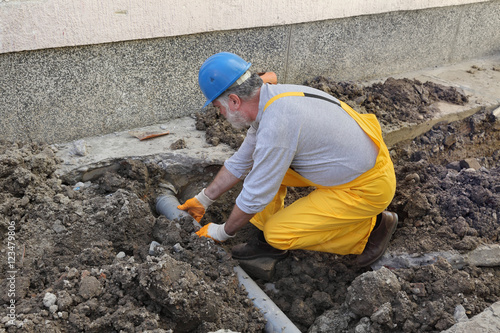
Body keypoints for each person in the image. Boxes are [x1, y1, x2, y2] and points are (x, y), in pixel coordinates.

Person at [178, 52, 398, 267]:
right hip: (348, 163)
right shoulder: (270, 98)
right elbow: (241, 162)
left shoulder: (277, 124)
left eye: (219, 108)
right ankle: (262, 237)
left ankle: (373, 228)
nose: (221, 115)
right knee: (264, 167)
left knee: (278, 233)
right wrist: (203, 200)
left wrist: (222, 232)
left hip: (366, 187)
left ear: (234, 101)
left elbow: (255, 195)